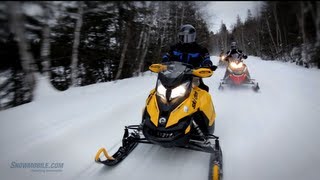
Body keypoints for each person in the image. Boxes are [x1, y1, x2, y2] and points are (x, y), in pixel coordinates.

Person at [162, 24, 216, 92]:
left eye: (189, 37)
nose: (186, 40)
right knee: (161, 90)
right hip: (175, 76)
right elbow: (167, 55)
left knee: (203, 91)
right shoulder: (175, 48)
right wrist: (164, 60)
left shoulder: (200, 49)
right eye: (184, 37)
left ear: (193, 37)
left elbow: (206, 58)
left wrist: (208, 64)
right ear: (180, 37)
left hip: (193, 76)